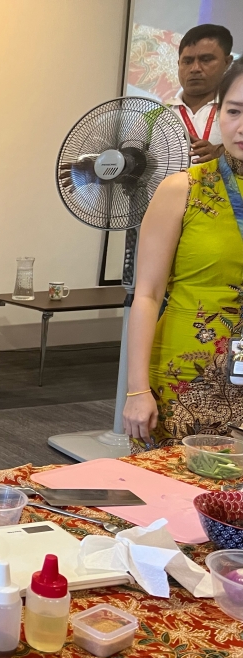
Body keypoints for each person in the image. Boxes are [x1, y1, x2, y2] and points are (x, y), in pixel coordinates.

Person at [123, 59, 243, 449]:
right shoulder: (183, 189)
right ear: (220, 113)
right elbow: (147, 294)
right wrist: (136, 390)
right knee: (171, 481)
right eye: (234, 112)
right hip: (185, 377)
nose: (241, 126)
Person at [165, 24, 235, 165]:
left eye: (206, 59)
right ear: (179, 64)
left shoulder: (237, 112)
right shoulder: (155, 116)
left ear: (227, 62)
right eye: (187, 61)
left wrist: (224, 155)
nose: (195, 68)